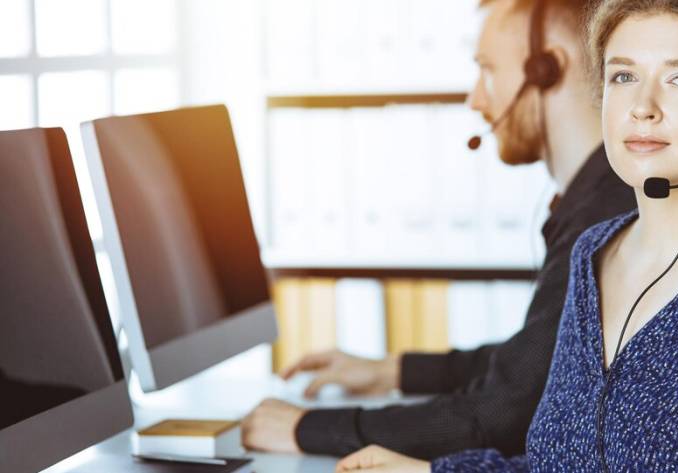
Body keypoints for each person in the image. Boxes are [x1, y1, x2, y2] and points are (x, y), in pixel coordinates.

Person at [334, 0, 678, 471]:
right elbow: (562, 461)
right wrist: (430, 469)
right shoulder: (593, 253)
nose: (642, 106)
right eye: (624, 76)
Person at [241, 0, 638, 459]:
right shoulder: (597, 198)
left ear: (546, 68)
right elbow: (530, 363)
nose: (475, 99)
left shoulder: (605, 216)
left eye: (487, 70)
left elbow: (496, 415)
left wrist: (307, 429)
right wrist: (393, 372)